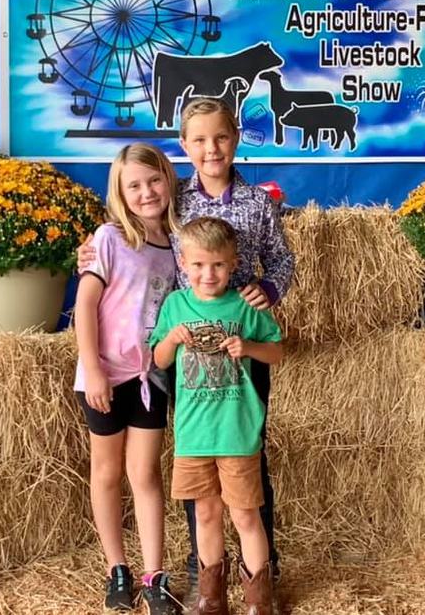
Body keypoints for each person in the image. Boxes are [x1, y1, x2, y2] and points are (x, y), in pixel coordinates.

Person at [80, 97, 295, 601]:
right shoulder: (175, 198)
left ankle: (262, 573)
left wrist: (269, 289)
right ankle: (206, 572)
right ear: (184, 146)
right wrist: (89, 250)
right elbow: (135, 222)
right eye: (199, 140)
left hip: (242, 342)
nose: (211, 149)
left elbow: (282, 260)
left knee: (250, 455)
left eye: (220, 137)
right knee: (195, 455)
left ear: (235, 139)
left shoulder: (257, 203)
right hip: (186, 350)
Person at [150, 217, 283, 615]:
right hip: (194, 434)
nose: (208, 274)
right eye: (198, 265)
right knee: (205, 513)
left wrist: (248, 348)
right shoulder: (175, 305)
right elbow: (159, 359)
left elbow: (276, 351)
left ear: (233, 263)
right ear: (183, 263)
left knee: (245, 514)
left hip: (236, 431)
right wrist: (172, 339)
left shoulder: (245, 305)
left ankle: (258, 601)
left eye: (218, 265)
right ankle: (212, 599)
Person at [73, 143, 182, 615]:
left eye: (154, 180)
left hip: (149, 377)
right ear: (119, 193)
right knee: (107, 471)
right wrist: (94, 368)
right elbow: (85, 304)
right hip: (104, 376)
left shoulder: (178, 245)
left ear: (168, 180)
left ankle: (154, 575)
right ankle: (116, 567)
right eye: (133, 186)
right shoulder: (110, 239)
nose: (146, 192)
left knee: (146, 473)